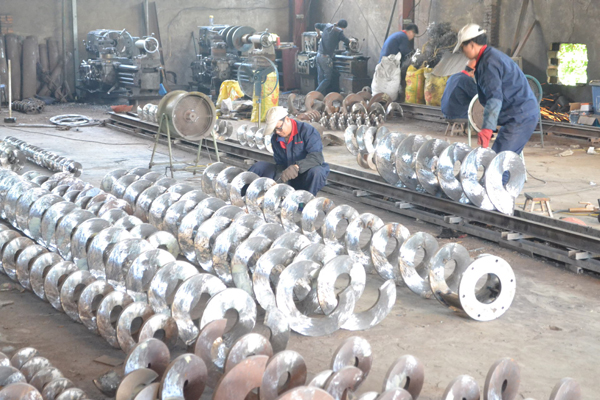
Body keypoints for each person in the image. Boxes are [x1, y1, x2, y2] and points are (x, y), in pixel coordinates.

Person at [454, 23, 539, 154]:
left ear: (471, 45)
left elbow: (494, 98)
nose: (462, 52)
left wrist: (487, 129)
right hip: (518, 114)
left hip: (520, 116)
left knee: (499, 161)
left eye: (462, 48)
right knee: (501, 159)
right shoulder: (490, 57)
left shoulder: (488, 63)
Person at [249, 106, 330, 195]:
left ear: (287, 120)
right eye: (274, 130)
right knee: (259, 166)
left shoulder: (307, 131)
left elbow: (317, 158)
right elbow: (280, 163)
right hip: (288, 175)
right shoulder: (275, 139)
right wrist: (280, 179)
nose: (277, 132)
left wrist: (297, 167)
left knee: (317, 172)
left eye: (279, 128)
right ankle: (246, 194)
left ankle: (306, 199)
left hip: (305, 175)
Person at [314, 19, 350, 95]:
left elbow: (316, 25)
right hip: (325, 58)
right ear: (343, 27)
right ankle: (315, 94)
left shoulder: (327, 26)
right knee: (327, 79)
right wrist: (351, 41)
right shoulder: (339, 32)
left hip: (318, 55)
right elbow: (346, 41)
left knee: (320, 78)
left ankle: (320, 97)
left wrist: (318, 34)